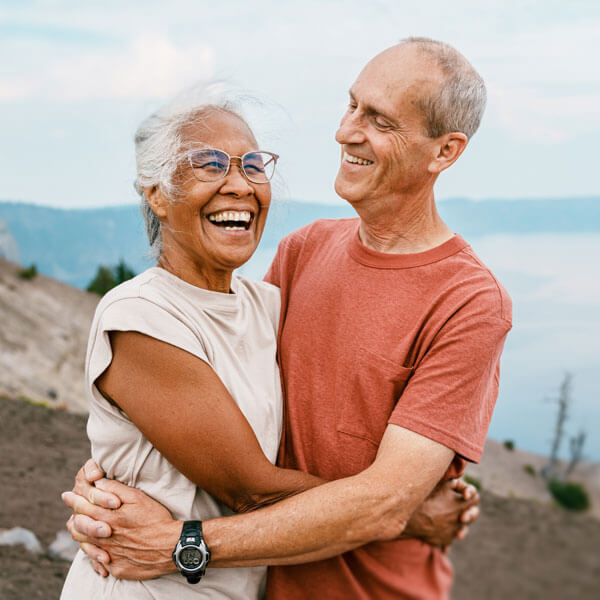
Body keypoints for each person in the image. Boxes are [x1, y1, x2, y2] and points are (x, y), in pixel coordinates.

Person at [64, 36, 506, 599]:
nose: (346, 131)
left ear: (444, 152)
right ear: (154, 192)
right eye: (352, 105)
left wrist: (397, 505)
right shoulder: (304, 253)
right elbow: (236, 461)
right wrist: (111, 473)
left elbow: (375, 498)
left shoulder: (467, 300)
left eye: (380, 120)